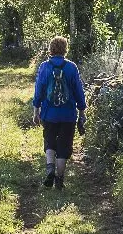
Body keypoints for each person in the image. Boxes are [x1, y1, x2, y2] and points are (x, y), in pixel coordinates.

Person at [32, 36, 87, 189]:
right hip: (68, 115)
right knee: (63, 147)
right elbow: (78, 91)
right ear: (65, 49)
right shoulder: (71, 67)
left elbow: (39, 91)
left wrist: (36, 110)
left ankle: (50, 169)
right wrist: (82, 111)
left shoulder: (44, 67)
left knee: (50, 142)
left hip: (49, 114)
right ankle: (59, 180)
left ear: (51, 49)